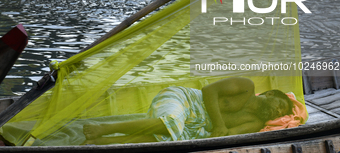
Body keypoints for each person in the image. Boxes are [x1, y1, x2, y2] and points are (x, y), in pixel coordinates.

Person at [82, 77, 293, 145]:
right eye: (280, 106)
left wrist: (221, 131)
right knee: (174, 122)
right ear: (271, 93)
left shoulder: (255, 123)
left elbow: (228, 134)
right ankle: (104, 128)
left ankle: (106, 142)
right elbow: (209, 90)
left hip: (198, 125)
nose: (277, 112)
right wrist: (219, 124)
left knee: (171, 140)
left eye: (281, 114)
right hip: (187, 100)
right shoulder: (246, 87)